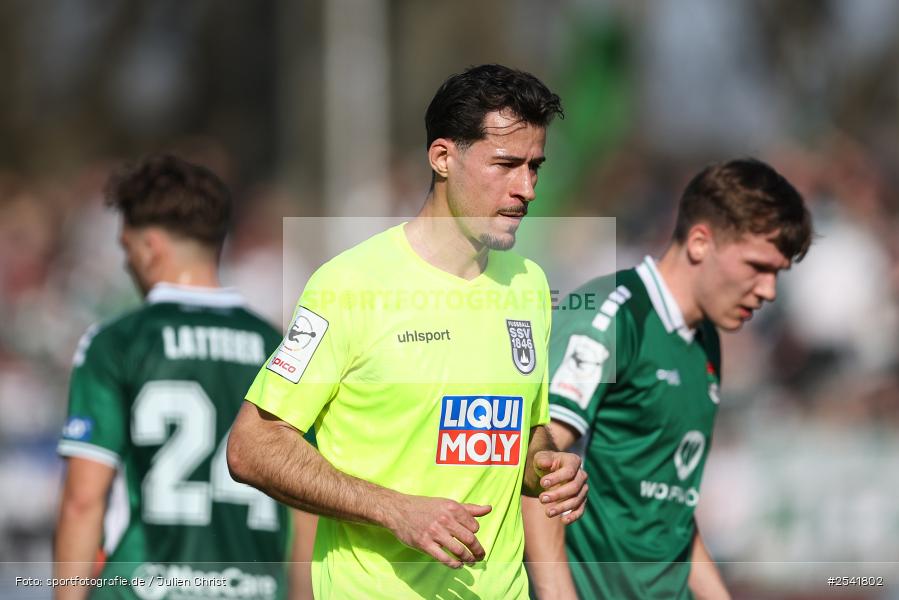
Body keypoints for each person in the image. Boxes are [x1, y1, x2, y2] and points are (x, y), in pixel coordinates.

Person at [227, 64, 589, 599]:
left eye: (534, 167)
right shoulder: (349, 285)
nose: (527, 189)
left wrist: (547, 467)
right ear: (442, 157)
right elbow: (252, 446)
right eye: (505, 164)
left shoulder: (530, 285)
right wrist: (394, 510)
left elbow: (526, 433)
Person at [523, 158, 813, 599]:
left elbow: (671, 511)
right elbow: (537, 472)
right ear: (700, 242)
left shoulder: (704, 340)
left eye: (778, 273)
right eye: (758, 266)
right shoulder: (613, 316)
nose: (769, 290)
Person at [54, 154, 317, 600]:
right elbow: (305, 509)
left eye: (126, 248)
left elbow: (83, 501)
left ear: (149, 247)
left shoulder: (117, 344)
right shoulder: (279, 347)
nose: (126, 264)